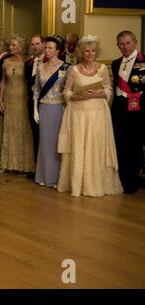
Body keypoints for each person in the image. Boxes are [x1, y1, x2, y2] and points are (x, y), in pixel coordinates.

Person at [57, 35, 123, 197]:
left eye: (93, 51)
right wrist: (74, 96)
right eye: (87, 51)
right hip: (79, 114)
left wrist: (98, 93)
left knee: (96, 146)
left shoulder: (102, 68)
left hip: (98, 114)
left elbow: (109, 89)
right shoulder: (74, 69)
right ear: (81, 52)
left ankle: (96, 184)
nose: (90, 54)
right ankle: (78, 185)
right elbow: (66, 90)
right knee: (79, 146)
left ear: (96, 52)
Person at [0, 34, 35, 173]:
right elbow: (3, 81)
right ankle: (9, 163)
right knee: (9, 127)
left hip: (24, 99)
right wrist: (0, 99)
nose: (10, 47)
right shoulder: (7, 61)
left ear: (21, 47)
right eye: (10, 45)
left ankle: (22, 164)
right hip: (9, 98)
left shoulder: (29, 62)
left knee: (23, 128)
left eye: (14, 45)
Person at [32, 36, 69, 188]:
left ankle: (57, 177)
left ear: (58, 51)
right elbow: (36, 89)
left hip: (59, 108)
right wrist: (35, 109)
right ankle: (43, 175)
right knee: (45, 143)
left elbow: (68, 90)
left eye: (50, 48)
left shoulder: (67, 68)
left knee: (56, 143)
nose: (46, 50)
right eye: (46, 47)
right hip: (44, 107)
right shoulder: (40, 67)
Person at [111, 30, 145, 194]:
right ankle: (122, 180)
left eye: (128, 43)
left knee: (134, 146)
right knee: (120, 145)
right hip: (119, 109)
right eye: (121, 44)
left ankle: (132, 183)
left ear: (135, 42)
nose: (125, 47)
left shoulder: (144, 61)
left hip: (138, 111)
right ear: (118, 46)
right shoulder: (116, 63)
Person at [24, 34, 45, 176]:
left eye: (37, 44)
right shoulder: (29, 63)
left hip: (47, 102)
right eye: (32, 44)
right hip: (32, 102)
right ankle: (37, 169)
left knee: (46, 135)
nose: (35, 46)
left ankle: (46, 169)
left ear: (43, 44)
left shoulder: (51, 62)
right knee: (36, 135)